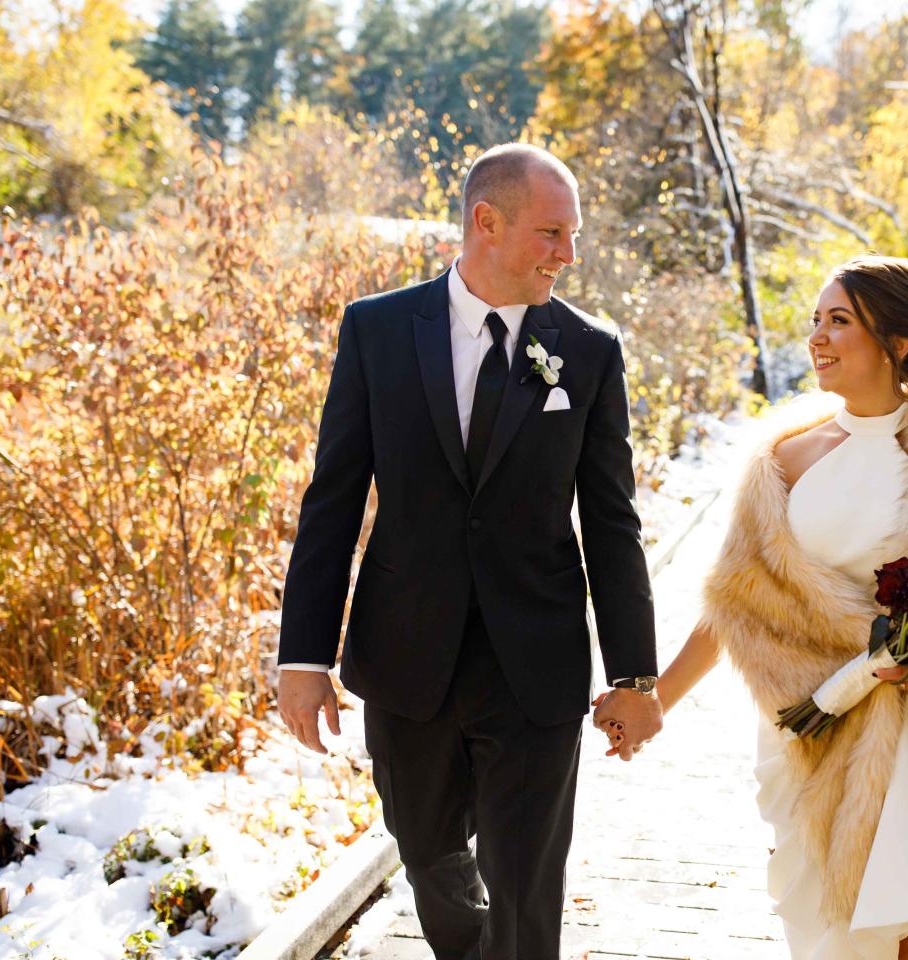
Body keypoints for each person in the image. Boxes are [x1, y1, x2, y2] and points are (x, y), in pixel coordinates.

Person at [595, 254, 908, 959]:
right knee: (843, 930)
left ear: (898, 341)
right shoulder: (786, 461)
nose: (817, 337)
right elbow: (738, 604)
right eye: (815, 320)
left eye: (840, 321)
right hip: (812, 722)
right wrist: (657, 700)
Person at [277, 143, 663, 960]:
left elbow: (611, 521)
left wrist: (635, 677)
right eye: (552, 233)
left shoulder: (589, 350)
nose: (569, 255)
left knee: (525, 885)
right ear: (487, 222)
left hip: (536, 665)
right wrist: (304, 656)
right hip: (407, 657)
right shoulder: (378, 330)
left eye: (574, 234)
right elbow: (333, 499)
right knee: (428, 858)